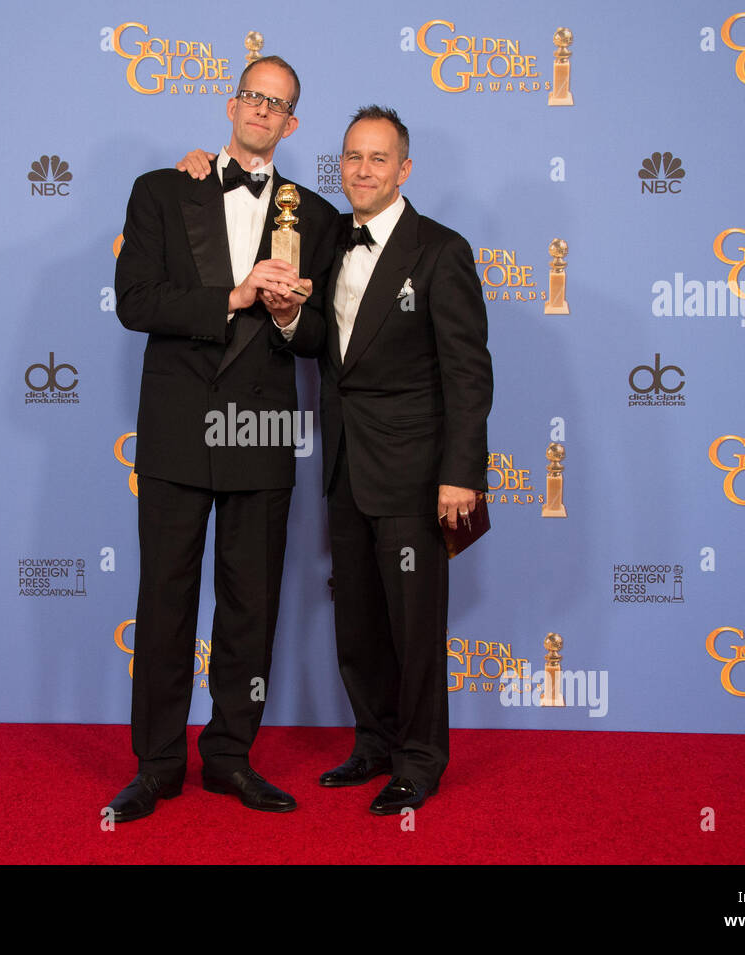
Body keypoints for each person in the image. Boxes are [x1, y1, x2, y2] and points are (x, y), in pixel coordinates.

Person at [108, 56, 337, 822]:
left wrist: (284, 317)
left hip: (263, 430)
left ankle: (231, 754)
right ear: (231, 103)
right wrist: (234, 297)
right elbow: (135, 302)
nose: (262, 111)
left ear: (292, 123)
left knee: (251, 607)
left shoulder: (320, 217)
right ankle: (156, 763)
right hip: (178, 428)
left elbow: (320, 342)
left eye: (278, 104)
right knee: (166, 599)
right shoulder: (165, 190)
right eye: (252, 96)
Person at [316, 106, 492, 814]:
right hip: (345, 466)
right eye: (353, 157)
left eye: (378, 158)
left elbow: (468, 373)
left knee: (413, 625)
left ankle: (419, 760)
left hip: (418, 473)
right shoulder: (328, 241)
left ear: (405, 170)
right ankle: (374, 742)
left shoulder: (441, 250)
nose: (362, 169)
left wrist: (462, 473)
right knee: (357, 620)